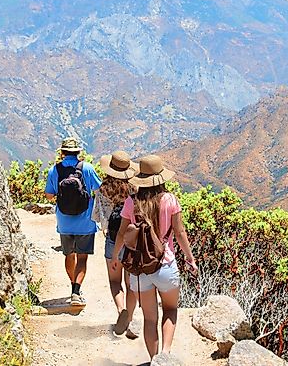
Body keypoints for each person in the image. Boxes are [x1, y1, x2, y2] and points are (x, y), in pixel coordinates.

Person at [112, 154, 198, 359]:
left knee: (149, 319)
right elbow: (179, 233)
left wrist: (116, 258)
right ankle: (165, 355)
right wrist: (190, 258)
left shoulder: (131, 202)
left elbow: (122, 234)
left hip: (140, 268)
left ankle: (153, 359)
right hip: (166, 265)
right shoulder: (170, 200)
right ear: (160, 178)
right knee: (170, 310)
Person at [44, 137, 102, 307]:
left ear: (62, 153)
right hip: (85, 221)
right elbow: (98, 189)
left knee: (69, 255)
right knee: (82, 258)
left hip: (64, 222)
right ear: (78, 152)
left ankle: (73, 286)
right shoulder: (88, 168)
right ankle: (76, 291)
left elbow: (48, 194)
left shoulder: (54, 170)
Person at [92, 150, 139, 336]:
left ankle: (121, 311)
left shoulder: (102, 190)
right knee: (131, 284)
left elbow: (97, 217)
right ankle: (131, 320)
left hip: (112, 239)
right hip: (132, 241)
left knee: (114, 281)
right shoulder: (134, 190)